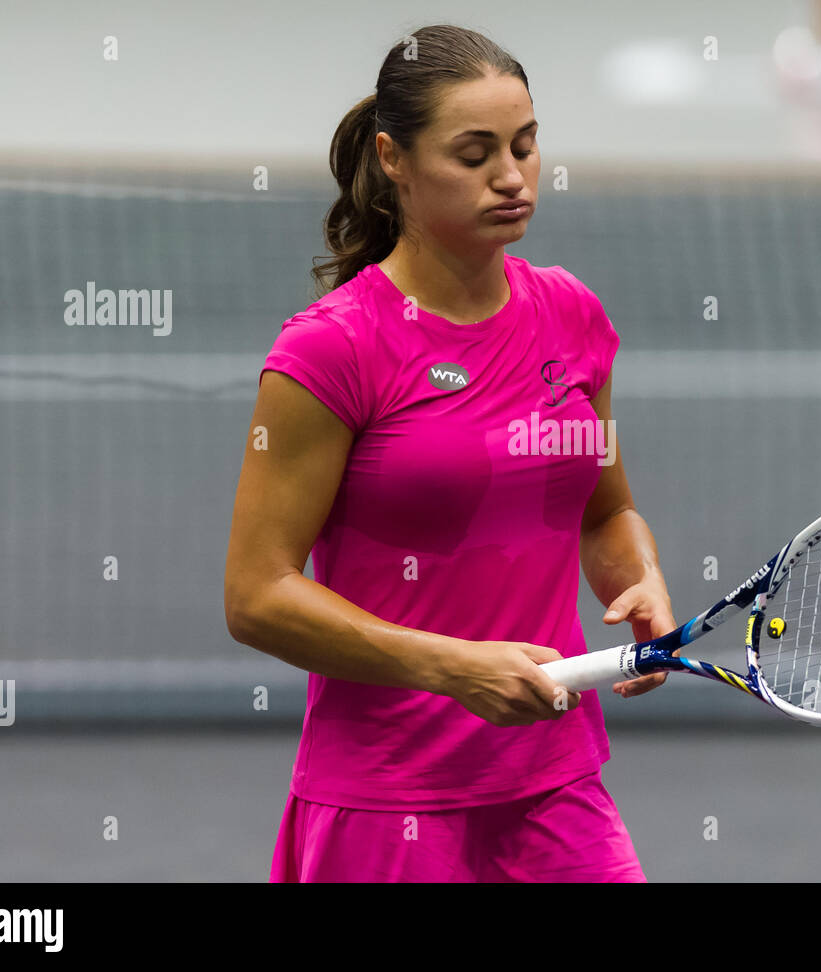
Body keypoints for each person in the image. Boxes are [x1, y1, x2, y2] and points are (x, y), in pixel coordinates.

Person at [224, 24, 675, 883]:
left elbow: (605, 510)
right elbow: (255, 596)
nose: (511, 176)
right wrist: (449, 667)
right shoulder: (331, 350)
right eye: (474, 154)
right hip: (389, 806)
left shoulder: (571, 315)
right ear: (394, 158)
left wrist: (634, 579)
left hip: (555, 784)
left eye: (525, 145)